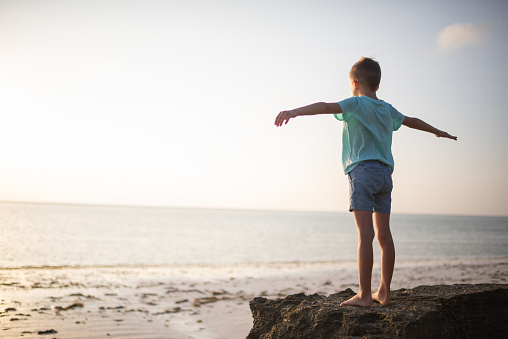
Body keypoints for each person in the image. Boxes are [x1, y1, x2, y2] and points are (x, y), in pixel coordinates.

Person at [274, 57, 457, 307]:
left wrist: (295, 111)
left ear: (355, 82)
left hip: (362, 172)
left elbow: (326, 106)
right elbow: (412, 121)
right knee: (384, 235)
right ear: (377, 86)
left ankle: (363, 295)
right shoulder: (387, 109)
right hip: (385, 175)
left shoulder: (356, 103)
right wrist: (438, 131)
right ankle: (384, 291)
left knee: (365, 236)